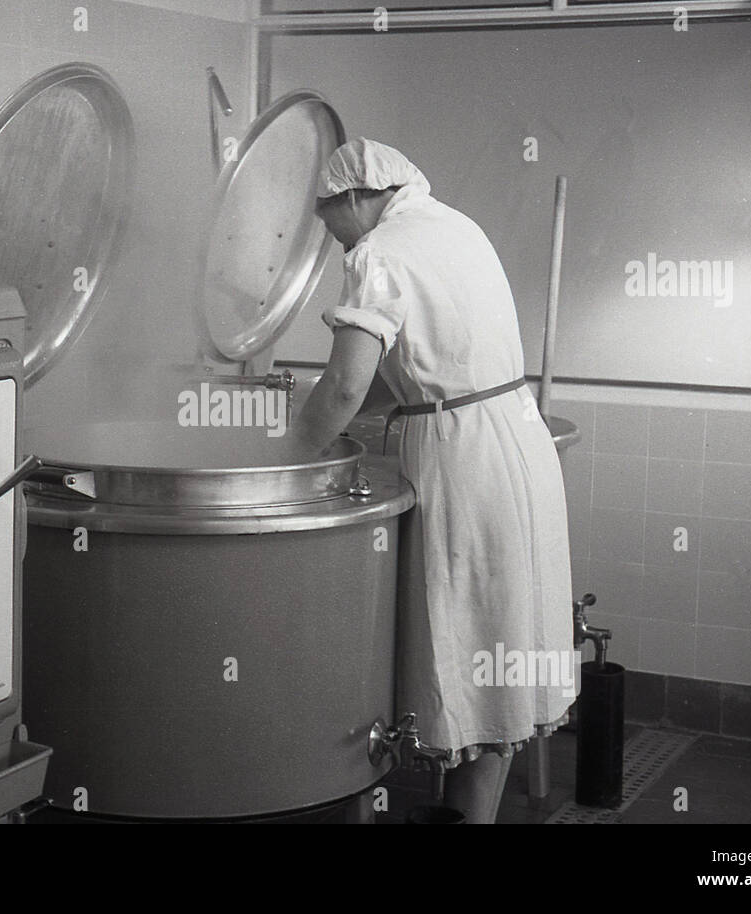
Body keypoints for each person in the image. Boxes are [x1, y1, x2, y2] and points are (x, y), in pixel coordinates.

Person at [282, 138, 574, 824]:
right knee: (500, 636)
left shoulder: (378, 253)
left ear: (355, 198)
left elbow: (350, 385)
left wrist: (286, 457)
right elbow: (420, 369)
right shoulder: (456, 228)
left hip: (462, 460)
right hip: (516, 441)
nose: (332, 240)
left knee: (466, 631)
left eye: (330, 222)